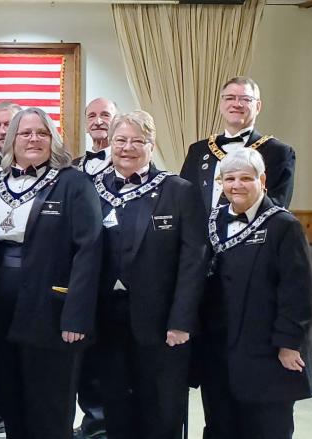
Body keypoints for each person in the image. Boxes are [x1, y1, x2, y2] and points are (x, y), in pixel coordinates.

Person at [0, 107, 102, 439]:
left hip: (50, 308)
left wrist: (77, 316)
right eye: (26, 133)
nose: (34, 139)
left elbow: (89, 251)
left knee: (49, 402)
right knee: (8, 397)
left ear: (53, 140)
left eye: (42, 133)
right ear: (11, 140)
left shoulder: (73, 183)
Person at [93, 111, 207, 439]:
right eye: (120, 140)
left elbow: (193, 261)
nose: (127, 147)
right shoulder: (93, 190)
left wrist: (182, 320)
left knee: (162, 407)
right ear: (109, 144)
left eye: (137, 141)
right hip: (106, 318)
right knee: (115, 404)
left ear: (151, 145)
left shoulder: (178, 191)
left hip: (162, 322)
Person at [198, 148, 312, 438]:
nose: (236, 185)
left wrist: (289, 343)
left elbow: (297, 290)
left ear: (262, 180)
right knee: (221, 423)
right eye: (230, 179)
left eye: (246, 178)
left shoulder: (283, 225)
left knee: (266, 426)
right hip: (219, 345)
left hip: (267, 349)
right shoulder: (213, 221)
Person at [180, 77, 295, 214]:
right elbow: (184, 201)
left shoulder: (278, 152)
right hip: (199, 235)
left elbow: (276, 209)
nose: (237, 104)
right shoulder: (198, 150)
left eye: (245, 99)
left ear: (258, 106)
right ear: (221, 105)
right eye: (229, 98)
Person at [72, 96, 118, 439]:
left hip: (116, 276)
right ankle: (89, 420)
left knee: (108, 355)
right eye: (92, 115)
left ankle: (104, 424)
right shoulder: (71, 167)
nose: (99, 120)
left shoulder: (128, 165)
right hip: (77, 272)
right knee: (81, 353)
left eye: (105, 115)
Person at [74, 97, 117, 178]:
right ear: (86, 126)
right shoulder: (73, 166)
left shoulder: (126, 163)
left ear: (116, 123)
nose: (98, 122)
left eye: (105, 115)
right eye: (91, 116)